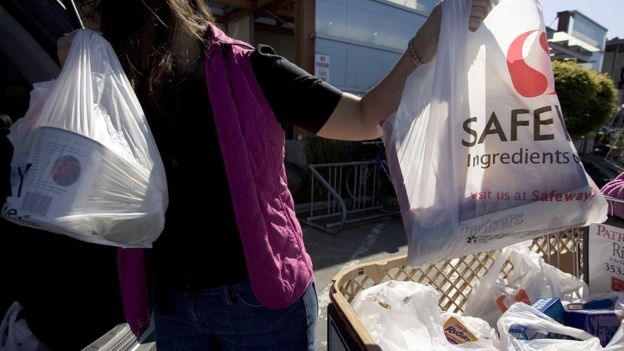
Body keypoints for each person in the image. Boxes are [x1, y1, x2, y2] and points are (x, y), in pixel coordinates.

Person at [57, 0, 492, 349]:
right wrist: (73, 77)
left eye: (100, 9)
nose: (93, 18)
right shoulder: (121, 83)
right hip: (170, 304)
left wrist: (423, 44)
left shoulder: (250, 68)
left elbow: (361, 117)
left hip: (258, 303)